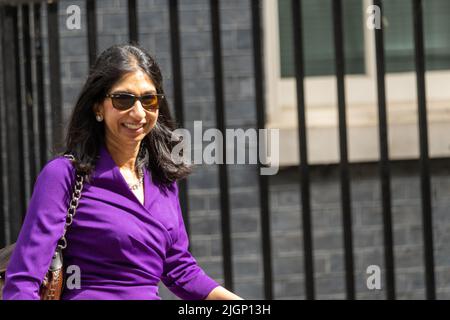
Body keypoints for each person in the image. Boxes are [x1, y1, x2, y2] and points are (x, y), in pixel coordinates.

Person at [2, 44, 242, 300]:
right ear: (97, 107)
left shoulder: (161, 179)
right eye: (123, 99)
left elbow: (180, 268)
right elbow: (24, 280)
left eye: (149, 100)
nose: (138, 113)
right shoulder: (63, 175)